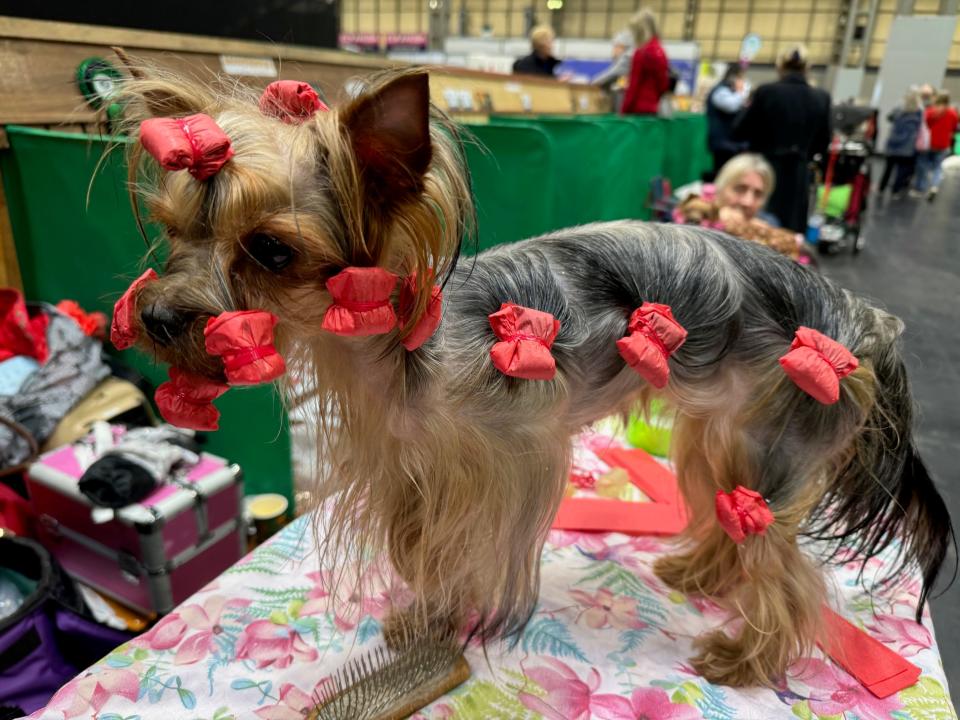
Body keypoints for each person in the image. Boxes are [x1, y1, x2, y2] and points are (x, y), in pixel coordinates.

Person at [732, 44, 831, 234]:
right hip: (799, 173)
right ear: (807, 67)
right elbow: (823, 141)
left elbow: (739, 130)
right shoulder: (821, 97)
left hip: (765, 169)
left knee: (759, 228)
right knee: (790, 231)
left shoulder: (766, 92)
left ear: (780, 66)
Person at [672, 154, 808, 261]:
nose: (747, 202)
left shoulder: (769, 224)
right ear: (721, 187)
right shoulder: (695, 211)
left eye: (758, 194)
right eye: (740, 189)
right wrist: (715, 221)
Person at [621, 9, 669, 116]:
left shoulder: (641, 52)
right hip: (653, 110)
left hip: (637, 112)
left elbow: (634, 86)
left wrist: (623, 112)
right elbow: (664, 85)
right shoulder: (661, 51)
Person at [706, 64, 750, 178]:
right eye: (741, 78)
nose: (743, 82)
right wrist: (741, 92)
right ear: (734, 77)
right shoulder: (721, 91)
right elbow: (731, 106)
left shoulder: (731, 92)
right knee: (723, 176)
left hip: (733, 145)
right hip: (723, 145)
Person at [913, 91, 958, 201]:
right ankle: (934, 186)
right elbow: (954, 127)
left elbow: (924, 126)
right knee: (938, 167)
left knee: (923, 165)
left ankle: (920, 188)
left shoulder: (930, 111)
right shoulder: (952, 113)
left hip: (929, 143)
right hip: (943, 144)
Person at [879, 90, 922, 199]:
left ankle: (881, 188)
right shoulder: (919, 112)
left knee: (888, 168)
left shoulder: (898, 110)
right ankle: (895, 191)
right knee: (901, 171)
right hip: (907, 146)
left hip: (894, 143)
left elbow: (889, 118)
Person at [592, 30, 633, 112]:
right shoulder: (627, 59)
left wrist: (590, 84)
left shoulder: (627, 58)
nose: (613, 50)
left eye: (615, 46)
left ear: (622, 47)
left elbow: (607, 77)